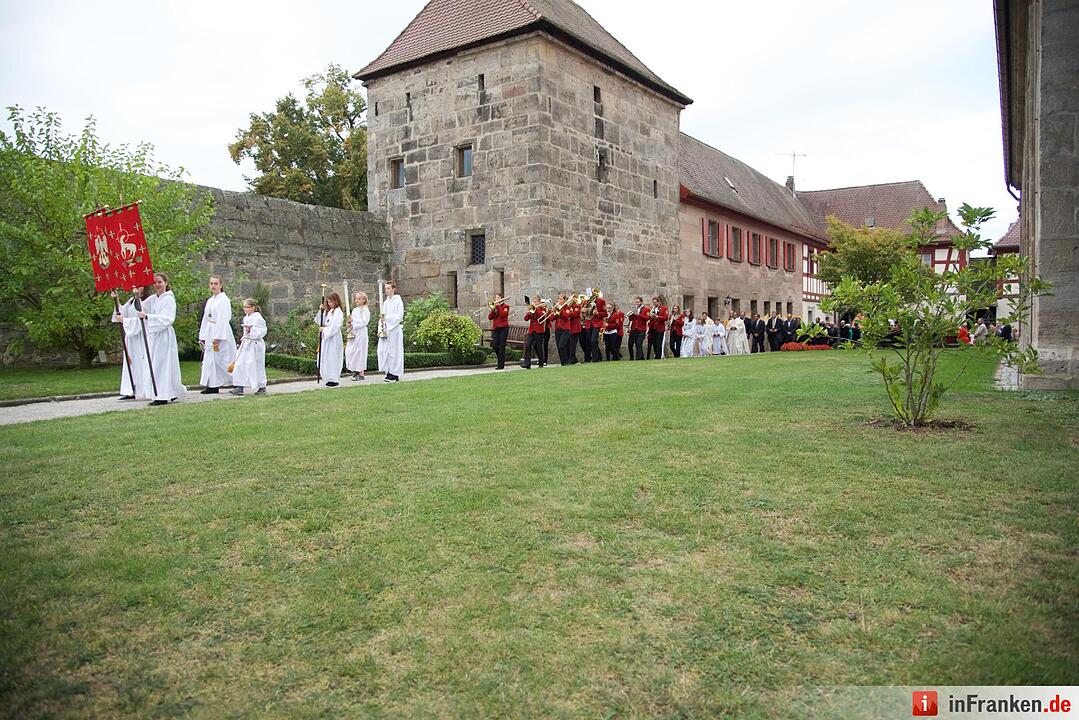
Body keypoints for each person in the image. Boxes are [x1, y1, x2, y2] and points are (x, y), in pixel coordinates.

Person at [137, 272, 186, 406]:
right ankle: (166, 391)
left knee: (161, 364)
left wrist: (148, 317)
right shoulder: (154, 298)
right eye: (155, 282)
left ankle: (163, 395)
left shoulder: (168, 299)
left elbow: (167, 318)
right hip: (155, 336)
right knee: (155, 364)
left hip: (164, 336)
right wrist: (136, 294)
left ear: (166, 283)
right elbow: (140, 307)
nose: (157, 285)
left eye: (159, 282)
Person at [111, 287, 152, 400]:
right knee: (131, 363)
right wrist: (117, 299)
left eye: (140, 287)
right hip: (131, 338)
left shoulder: (146, 302)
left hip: (140, 338)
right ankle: (130, 389)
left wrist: (124, 321)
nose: (137, 289)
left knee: (140, 363)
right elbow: (122, 313)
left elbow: (141, 322)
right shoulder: (130, 301)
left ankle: (142, 389)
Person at [198, 276, 237, 394]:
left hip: (221, 332)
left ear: (221, 285)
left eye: (216, 283)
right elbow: (206, 318)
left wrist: (217, 336)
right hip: (210, 330)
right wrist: (203, 336)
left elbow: (223, 318)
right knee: (210, 360)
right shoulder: (210, 300)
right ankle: (212, 385)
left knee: (224, 359)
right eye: (211, 283)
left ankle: (237, 381)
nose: (213, 286)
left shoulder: (224, 300)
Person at [230, 298, 268, 395]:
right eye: (244, 307)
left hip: (255, 345)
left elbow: (262, 331)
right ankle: (239, 386)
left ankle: (262, 387)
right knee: (239, 364)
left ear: (253, 308)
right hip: (246, 343)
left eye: (247, 307)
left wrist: (252, 331)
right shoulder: (246, 317)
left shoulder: (258, 318)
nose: (245, 309)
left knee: (255, 366)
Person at [377, 280, 405, 382]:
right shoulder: (385, 302)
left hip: (394, 330)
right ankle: (388, 371)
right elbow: (382, 316)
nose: (386, 290)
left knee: (394, 352)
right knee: (385, 351)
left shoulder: (398, 301)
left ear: (393, 289)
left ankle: (395, 373)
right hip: (387, 330)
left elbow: (399, 316)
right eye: (385, 288)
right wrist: (381, 328)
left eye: (388, 288)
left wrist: (387, 318)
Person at [316, 292, 344, 387]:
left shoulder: (338, 312)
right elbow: (320, 321)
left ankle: (334, 379)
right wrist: (321, 311)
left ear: (336, 301)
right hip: (326, 338)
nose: (329, 304)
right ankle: (328, 377)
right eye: (328, 302)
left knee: (333, 357)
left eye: (331, 302)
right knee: (326, 357)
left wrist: (324, 329)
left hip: (333, 338)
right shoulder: (329, 311)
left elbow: (335, 326)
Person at [345, 291, 371, 381]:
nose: (357, 300)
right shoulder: (355, 310)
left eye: (359, 299)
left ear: (364, 300)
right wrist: (349, 324)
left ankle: (360, 372)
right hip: (354, 333)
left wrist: (354, 324)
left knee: (360, 352)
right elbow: (351, 321)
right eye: (356, 298)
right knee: (350, 351)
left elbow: (364, 322)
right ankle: (354, 369)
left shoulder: (365, 310)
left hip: (361, 333)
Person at [521, 298, 546, 369]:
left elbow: (541, 316)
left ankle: (541, 362)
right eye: (533, 301)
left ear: (539, 302)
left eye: (535, 301)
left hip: (539, 331)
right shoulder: (532, 309)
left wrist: (536, 309)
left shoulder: (542, 309)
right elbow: (525, 318)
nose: (534, 303)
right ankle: (527, 364)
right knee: (528, 346)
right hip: (531, 330)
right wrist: (529, 312)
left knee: (539, 347)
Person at [487, 293, 510, 370]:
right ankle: (500, 359)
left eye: (498, 298)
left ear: (501, 298)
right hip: (496, 328)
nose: (496, 299)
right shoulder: (495, 307)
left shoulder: (506, 307)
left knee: (501, 347)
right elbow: (490, 317)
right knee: (495, 346)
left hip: (504, 328)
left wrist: (497, 306)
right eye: (496, 298)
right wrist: (493, 309)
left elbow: (503, 314)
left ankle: (501, 365)